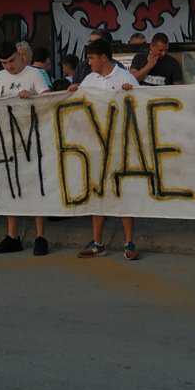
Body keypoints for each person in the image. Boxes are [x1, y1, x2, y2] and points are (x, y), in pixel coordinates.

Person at [74, 40, 140, 260]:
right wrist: (72, 93)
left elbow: (141, 105)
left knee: (123, 192)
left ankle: (129, 242)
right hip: (95, 144)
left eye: (92, 58)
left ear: (103, 57)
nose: (89, 62)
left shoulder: (125, 78)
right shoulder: (89, 80)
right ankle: (97, 242)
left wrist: (132, 94)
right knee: (97, 192)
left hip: (120, 144)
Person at [0, 41, 52, 255]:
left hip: (32, 138)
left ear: (20, 55)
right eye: (4, 63)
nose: (9, 66)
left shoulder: (35, 74)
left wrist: (32, 97)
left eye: (11, 61)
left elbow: (49, 99)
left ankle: (40, 236)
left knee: (35, 186)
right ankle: (12, 236)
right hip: (7, 139)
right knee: (9, 186)